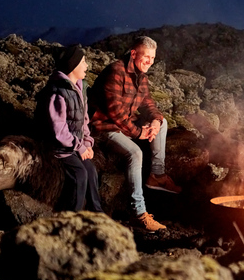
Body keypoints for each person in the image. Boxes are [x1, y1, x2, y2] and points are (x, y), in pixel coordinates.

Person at [89, 36, 180, 232]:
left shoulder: (141, 76)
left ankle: (157, 174)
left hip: (125, 125)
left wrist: (155, 121)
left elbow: (148, 104)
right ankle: (139, 213)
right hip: (105, 127)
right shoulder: (116, 71)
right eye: (146, 57)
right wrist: (139, 132)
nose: (150, 61)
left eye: (153, 58)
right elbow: (114, 112)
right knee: (135, 153)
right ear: (133, 54)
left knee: (162, 123)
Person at [36, 45, 103, 213]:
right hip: (59, 148)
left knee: (91, 171)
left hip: (74, 145)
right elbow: (58, 130)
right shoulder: (57, 92)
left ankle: (97, 213)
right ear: (72, 66)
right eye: (83, 62)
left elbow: (83, 120)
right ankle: (72, 217)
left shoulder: (80, 87)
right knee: (80, 174)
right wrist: (79, 147)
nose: (87, 66)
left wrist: (87, 143)